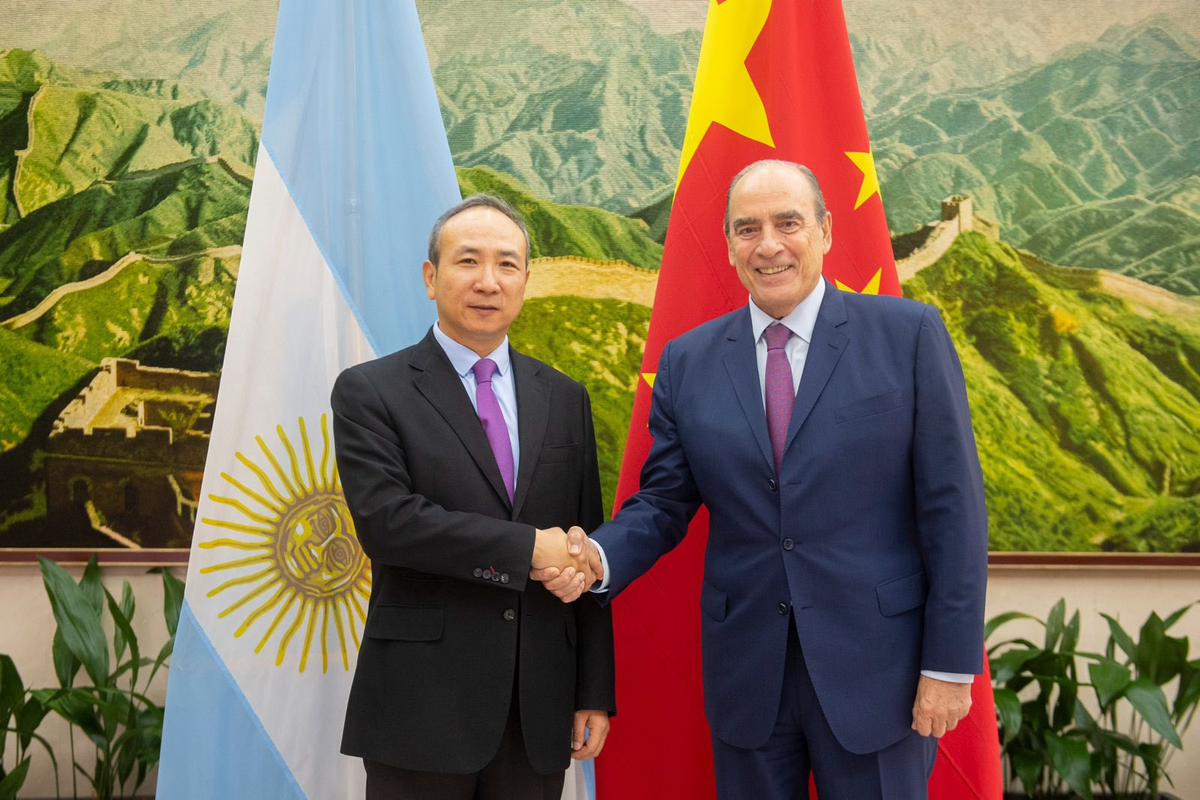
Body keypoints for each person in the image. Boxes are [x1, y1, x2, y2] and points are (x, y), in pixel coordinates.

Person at [535, 160, 988, 799]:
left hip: (879, 673)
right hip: (749, 674)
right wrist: (597, 557)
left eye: (788, 223)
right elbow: (664, 501)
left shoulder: (907, 336)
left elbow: (955, 511)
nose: (768, 244)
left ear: (826, 231)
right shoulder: (688, 362)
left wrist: (949, 665)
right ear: (727, 245)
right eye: (747, 228)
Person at [333, 194, 615, 799]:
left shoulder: (566, 398)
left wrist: (592, 690)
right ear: (432, 277)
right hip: (421, 705)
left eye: (507, 264)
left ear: (526, 281)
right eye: (468, 262)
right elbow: (389, 523)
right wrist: (526, 551)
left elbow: (582, 542)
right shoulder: (371, 391)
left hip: (538, 707)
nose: (488, 281)